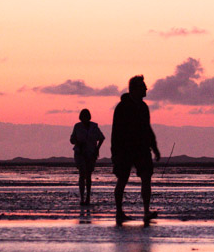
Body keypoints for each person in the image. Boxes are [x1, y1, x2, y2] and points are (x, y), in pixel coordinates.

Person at [111, 75, 161, 226]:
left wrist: (154, 147)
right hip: (125, 150)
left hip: (142, 149)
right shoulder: (122, 107)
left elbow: (147, 128)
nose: (146, 89)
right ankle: (119, 212)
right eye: (143, 87)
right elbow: (116, 131)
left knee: (146, 178)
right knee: (122, 179)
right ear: (134, 89)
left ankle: (146, 211)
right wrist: (115, 152)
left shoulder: (144, 107)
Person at [69, 108, 104, 206]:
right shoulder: (77, 126)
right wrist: (78, 142)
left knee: (88, 176)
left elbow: (101, 138)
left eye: (86, 116)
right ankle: (82, 198)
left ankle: (88, 197)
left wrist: (97, 149)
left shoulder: (94, 126)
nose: (85, 118)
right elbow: (72, 139)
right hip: (80, 153)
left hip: (91, 153)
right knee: (82, 174)